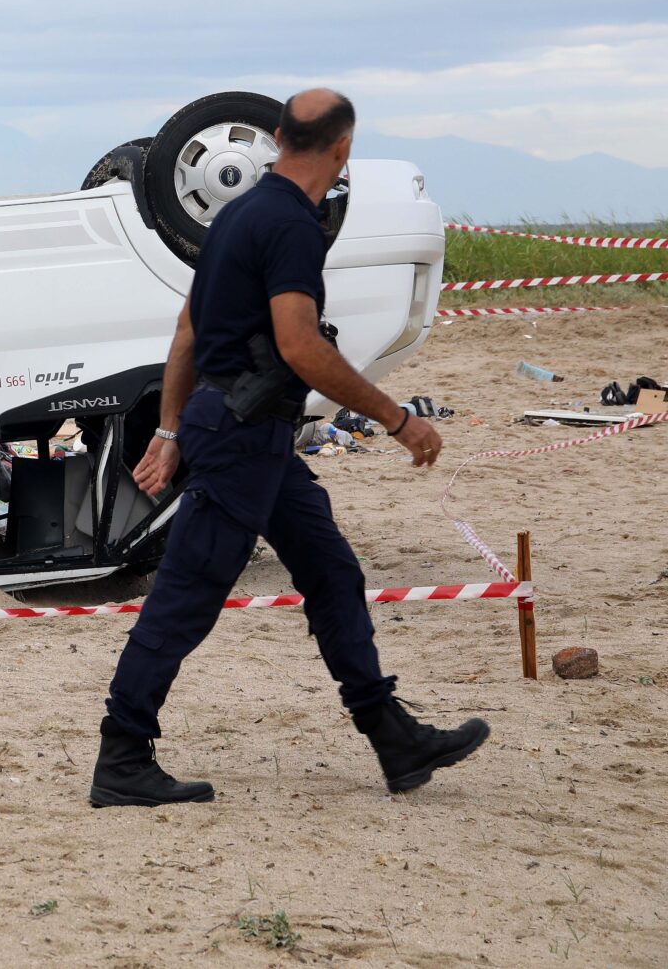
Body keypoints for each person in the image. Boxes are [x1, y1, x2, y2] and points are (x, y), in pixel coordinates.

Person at [89, 88, 489, 807]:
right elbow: (302, 346)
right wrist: (399, 419)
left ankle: (391, 735)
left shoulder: (239, 212)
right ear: (342, 149)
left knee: (331, 572)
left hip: (242, 429)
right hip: (243, 434)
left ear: (278, 137)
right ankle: (122, 751)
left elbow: (187, 331)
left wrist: (173, 429)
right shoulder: (291, 226)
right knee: (187, 591)